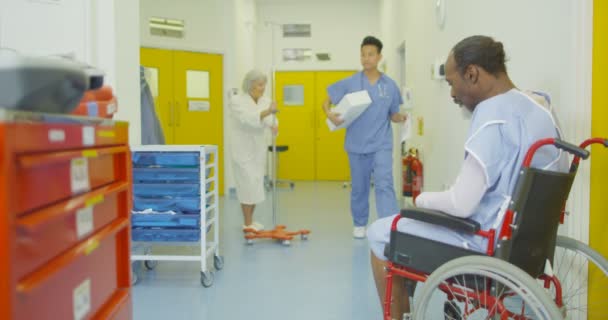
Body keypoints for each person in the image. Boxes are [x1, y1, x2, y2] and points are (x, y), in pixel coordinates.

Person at [367, 35, 564, 318]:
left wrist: (421, 199)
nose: (452, 94)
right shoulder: (540, 108)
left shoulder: (491, 114)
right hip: (528, 243)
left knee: (381, 232)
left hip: (485, 244)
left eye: (451, 82)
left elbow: (461, 204)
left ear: (472, 74)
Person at [322, 36, 407, 239]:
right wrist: (328, 113)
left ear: (379, 57)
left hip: (381, 144)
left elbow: (393, 114)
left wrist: (401, 117)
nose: (366, 58)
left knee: (384, 183)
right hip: (357, 144)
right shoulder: (351, 82)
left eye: (370, 54)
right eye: (363, 54)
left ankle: (389, 224)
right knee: (359, 187)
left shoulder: (390, 86)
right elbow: (326, 100)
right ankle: (359, 223)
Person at [230, 69, 278, 232]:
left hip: (258, 147)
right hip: (242, 148)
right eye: (259, 85)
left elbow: (271, 119)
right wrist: (267, 113)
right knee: (247, 183)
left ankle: (251, 222)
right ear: (250, 85)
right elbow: (248, 119)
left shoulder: (266, 100)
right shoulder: (237, 101)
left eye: (264, 84)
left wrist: (274, 124)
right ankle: (247, 223)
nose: (263, 88)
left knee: (256, 184)